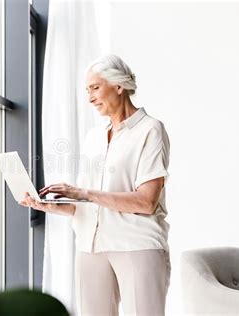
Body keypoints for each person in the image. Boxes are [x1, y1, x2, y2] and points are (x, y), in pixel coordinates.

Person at [19, 55, 171, 316]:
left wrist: (83, 192)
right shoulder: (94, 138)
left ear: (119, 86)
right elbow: (88, 206)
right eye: (87, 90)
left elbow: (146, 202)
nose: (90, 97)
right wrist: (48, 205)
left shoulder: (150, 130)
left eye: (95, 87)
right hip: (90, 247)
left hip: (136, 244)